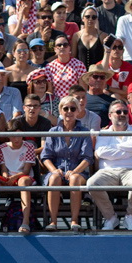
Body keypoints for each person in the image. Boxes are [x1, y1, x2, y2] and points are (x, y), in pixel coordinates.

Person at [86, 100, 132, 230]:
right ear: (110, 115)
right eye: (118, 112)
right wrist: (130, 153)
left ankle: (130, 216)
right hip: (108, 171)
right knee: (92, 184)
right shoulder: (103, 133)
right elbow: (101, 151)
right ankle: (110, 217)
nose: (122, 114)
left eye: (125, 111)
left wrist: (113, 149)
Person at [40, 94, 93, 229]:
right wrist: (54, 170)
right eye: (66, 108)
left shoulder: (84, 131)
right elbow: (46, 157)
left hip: (78, 171)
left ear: (78, 111)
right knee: (55, 178)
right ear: (60, 110)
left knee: (74, 179)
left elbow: (87, 158)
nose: (69, 112)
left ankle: (74, 221)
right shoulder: (53, 131)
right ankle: (53, 221)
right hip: (57, 170)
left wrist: (74, 171)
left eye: (73, 109)